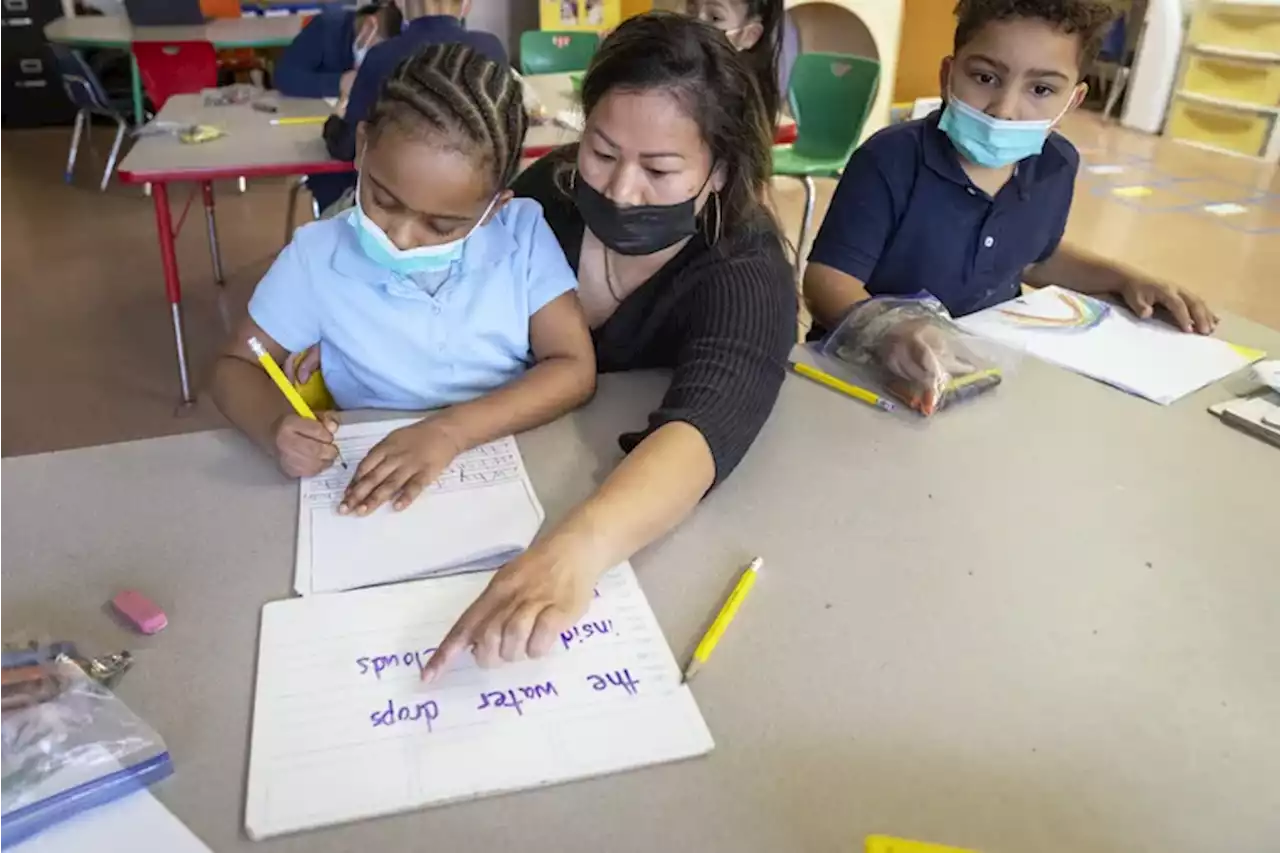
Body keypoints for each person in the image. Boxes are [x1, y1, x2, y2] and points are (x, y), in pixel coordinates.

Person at [416, 12, 797, 678]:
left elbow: (705, 428)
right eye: (601, 151)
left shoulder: (744, 268)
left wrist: (576, 553)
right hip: (474, 483)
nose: (621, 189)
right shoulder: (547, 199)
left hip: (613, 520)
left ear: (717, 171)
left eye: (660, 168)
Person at [211, 44, 595, 516]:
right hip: (367, 471)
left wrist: (449, 432)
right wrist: (275, 427)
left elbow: (574, 367)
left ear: (494, 208)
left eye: (442, 226)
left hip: (505, 451)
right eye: (384, 200)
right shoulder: (316, 257)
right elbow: (235, 366)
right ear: (362, 147)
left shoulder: (522, 234)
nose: (402, 236)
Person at [803, 0, 1216, 351]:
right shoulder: (889, 159)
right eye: (985, 78)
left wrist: (1127, 279)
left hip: (979, 361)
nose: (1004, 108)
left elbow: (1033, 257)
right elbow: (827, 282)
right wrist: (888, 333)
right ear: (948, 76)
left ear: (1072, 100)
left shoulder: (1056, 164)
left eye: (1041, 90)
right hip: (861, 367)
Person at [320, 0, 507, 209]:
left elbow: (348, 146)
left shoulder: (382, 56)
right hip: (473, 205)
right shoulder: (491, 48)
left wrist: (335, 121)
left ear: (400, 3)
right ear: (466, 3)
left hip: (395, 206)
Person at [685, 0, 787, 122]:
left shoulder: (737, 104)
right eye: (691, 11)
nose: (694, 23)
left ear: (750, 35)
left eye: (715, 18)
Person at [275, 3, 401, 101]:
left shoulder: (398, 45)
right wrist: (339, 83)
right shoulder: (326, 28)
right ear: (368, 26)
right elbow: (285, 77)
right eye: (375, 51)